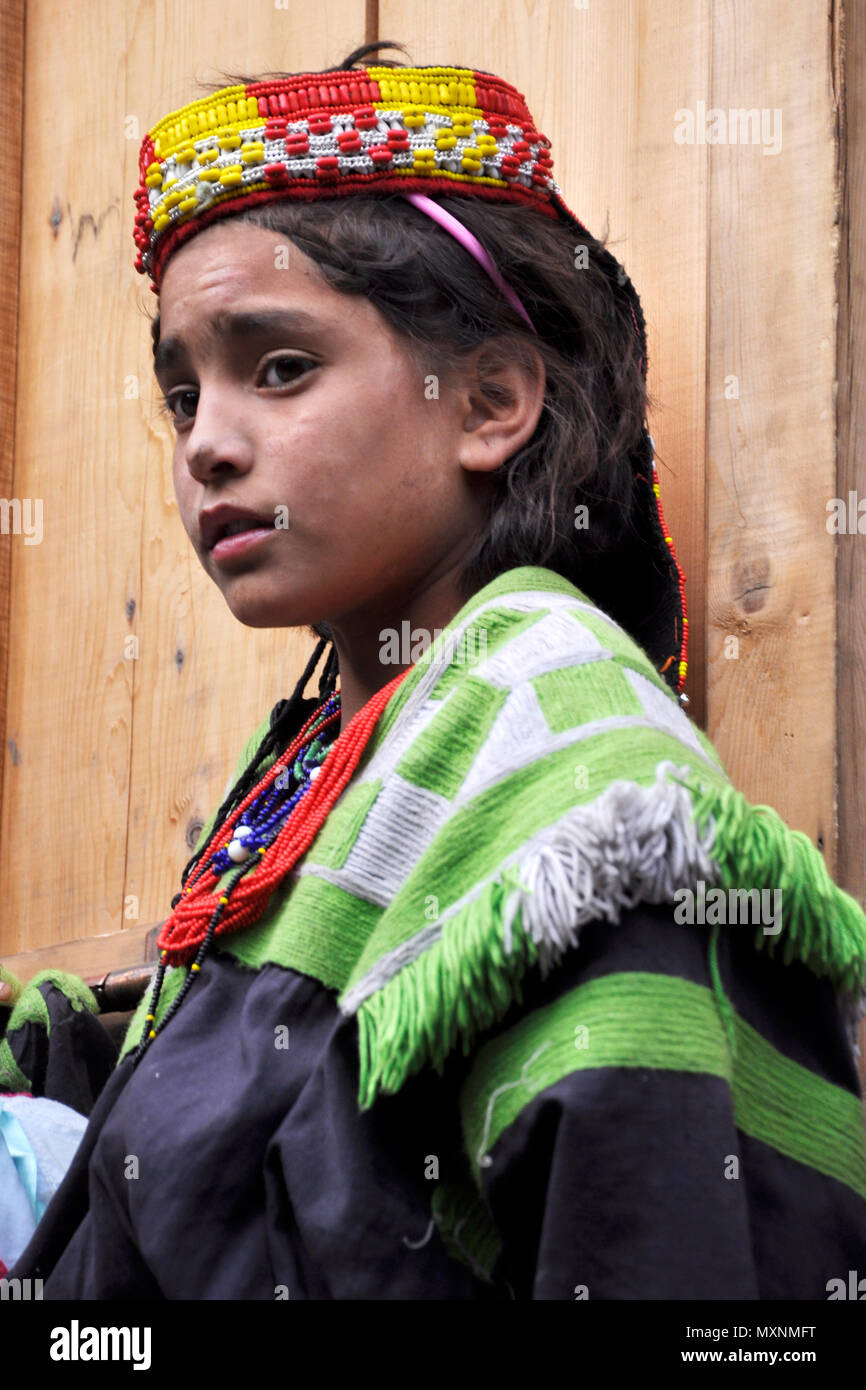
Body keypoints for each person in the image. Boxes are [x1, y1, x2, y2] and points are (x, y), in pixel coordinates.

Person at [9, 41, 866, 1300]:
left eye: (279, 367)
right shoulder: (311, 774)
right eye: (184, 395)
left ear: (488, 401)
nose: (208, 447)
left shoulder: (572, 780)